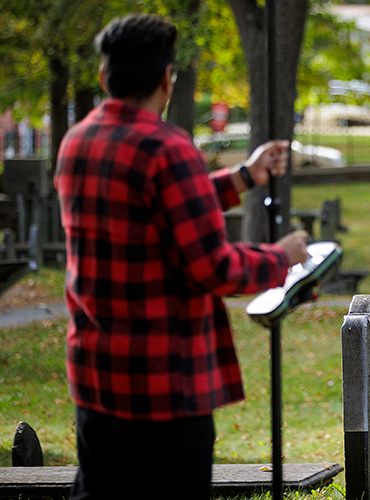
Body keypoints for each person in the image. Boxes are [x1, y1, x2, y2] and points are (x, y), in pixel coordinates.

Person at [53, 14, 309, 500]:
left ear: (105, 77)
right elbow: (213, 268)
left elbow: (152, 210)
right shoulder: (168, 148)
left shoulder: (77, 142)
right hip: (163, 387)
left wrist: (243, 177)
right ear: (167, 78)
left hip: (97, 377)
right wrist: (280, 256)